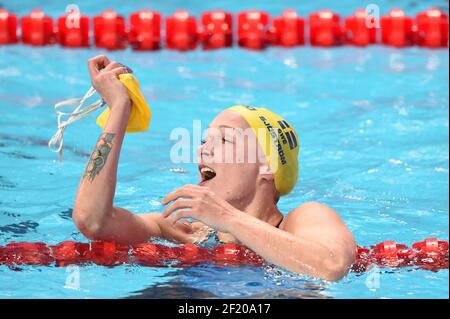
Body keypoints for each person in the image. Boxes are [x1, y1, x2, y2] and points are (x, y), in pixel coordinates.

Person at [73, 55, 356, 281]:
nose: (203, 149)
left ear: (266, 167)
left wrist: (226, 217)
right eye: (203, 140)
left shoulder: (305, 219)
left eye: (224, 140)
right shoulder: (185, 232)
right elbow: (93, 221)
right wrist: (120, 108)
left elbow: (331, 267)